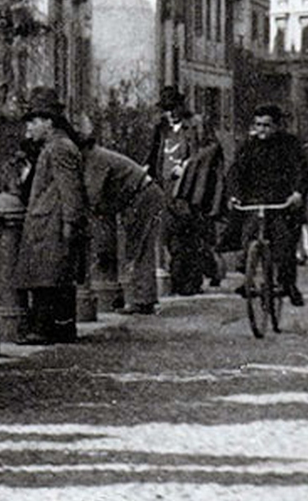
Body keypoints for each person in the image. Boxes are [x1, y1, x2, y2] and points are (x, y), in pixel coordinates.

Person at [12, 87, 87, 345]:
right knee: (53, 276)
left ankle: (43, 329)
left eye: (33, 121)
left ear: (48, 122)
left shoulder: (59, 148)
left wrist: (69, 224)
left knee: (48, 277)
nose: (29, 128)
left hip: (51, 224)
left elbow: (71, 191)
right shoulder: (56, 146)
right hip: (49, 221)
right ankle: (60, 328)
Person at [224, 103, 308, 307]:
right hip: (255, 200)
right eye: (257, 125)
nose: (261, 130)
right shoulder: (248, 146)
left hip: (282, 202)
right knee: (247, 235)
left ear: (277, 126)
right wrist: (234, 195)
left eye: (266, 125)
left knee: (285, 244)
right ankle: (248, 276)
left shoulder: (290, 144)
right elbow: (235, 173)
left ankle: (288, 284)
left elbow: (301, 171)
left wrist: (297, 193)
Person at [148, 88, 227, 295]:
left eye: (173, 108)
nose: (171, 113)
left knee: (189, 235)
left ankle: (192, 281)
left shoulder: (197, 125)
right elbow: (154, 154)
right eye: (167, 109)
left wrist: (188, 165)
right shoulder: (161, 128)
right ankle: (183, 280)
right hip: (166, 186)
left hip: (189, 188)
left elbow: (212, 150)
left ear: (181, 106)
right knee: (172, 235)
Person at [81, 140, 166, 316]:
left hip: (142, 196)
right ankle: (142, 298)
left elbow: (93, 195)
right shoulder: (99, 155)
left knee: (139, 248)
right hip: (144, 193)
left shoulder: (95, 159)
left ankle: (143, 300)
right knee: (139, 247)